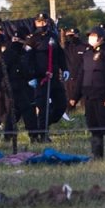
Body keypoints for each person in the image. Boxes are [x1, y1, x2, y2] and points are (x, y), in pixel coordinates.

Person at [74, 27, 105, 158]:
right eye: (90, 36)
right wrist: (74, 97)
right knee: (93, 127)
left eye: (93, 36)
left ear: (100, 38)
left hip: (102, 95)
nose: (91, 38)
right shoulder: (87, 53)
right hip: (89, 95)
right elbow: (81, 75)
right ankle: (96, 154)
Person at [26, 12, 67, 142]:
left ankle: (43, 126)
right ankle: (43, 135)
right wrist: (31, 76)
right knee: (43, 107)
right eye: (39, 22)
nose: (42, 24)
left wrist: (65, 69)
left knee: (61, 105)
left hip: (54, 77)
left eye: (44, 22)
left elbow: (60, 54)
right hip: (40, 78)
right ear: (35, 23)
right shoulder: (32, 39)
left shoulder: (53, 36)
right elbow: (27, 59)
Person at [0, 29, 38, 141]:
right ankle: (34, 135)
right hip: (15, 86)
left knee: (15, 112)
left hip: (23, 85)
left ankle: (8, 135)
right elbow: (0, 71)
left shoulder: (23, 52)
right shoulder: (12, 52)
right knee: (28, 110)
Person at [63, 28, 88, 110]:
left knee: (85, 104)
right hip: (69, 80)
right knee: (70, 103)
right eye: (69, 36)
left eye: (73, 35)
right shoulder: (65, 48)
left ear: (78, 35)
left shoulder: (84, 47)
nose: (71, 37)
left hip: (83, 79)